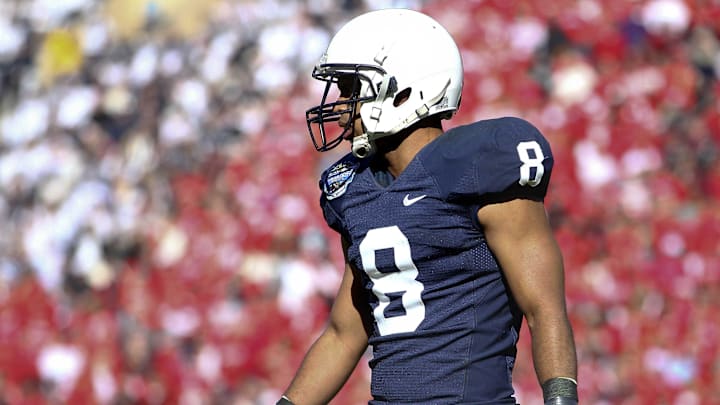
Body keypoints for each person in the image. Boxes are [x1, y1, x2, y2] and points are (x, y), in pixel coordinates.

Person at [280, 8, 578, 405]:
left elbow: (544, 308)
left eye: (353, 89)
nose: (342, 103)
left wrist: (561, 398)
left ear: (403, 90)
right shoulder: (354, 188)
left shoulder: (479, 164)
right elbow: (344, 333)